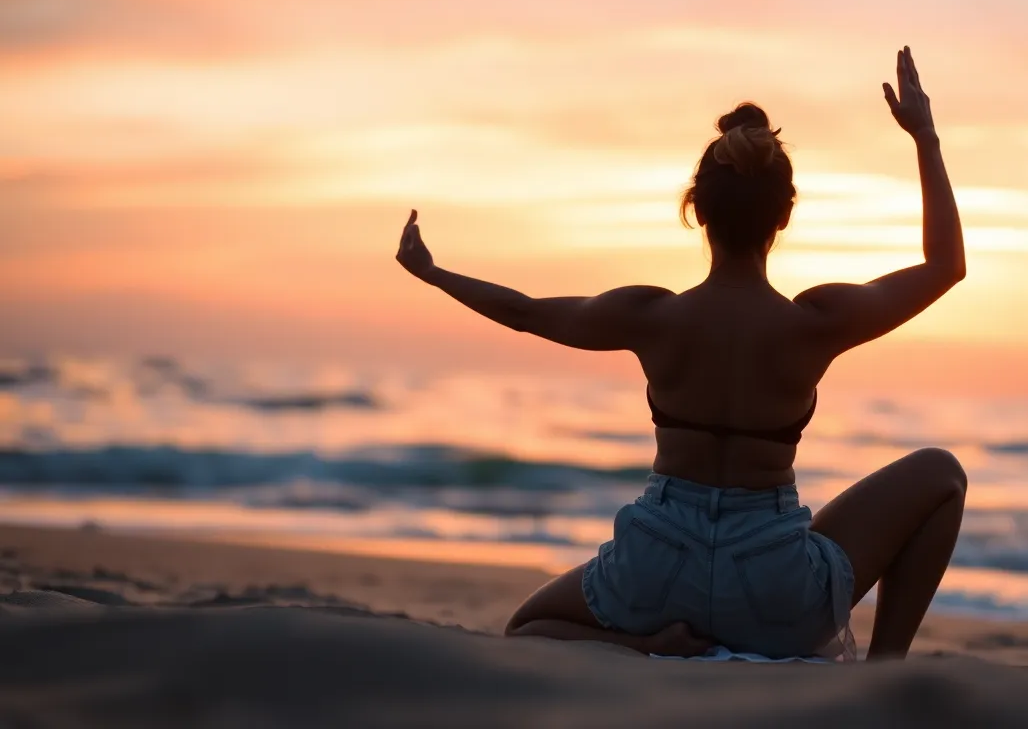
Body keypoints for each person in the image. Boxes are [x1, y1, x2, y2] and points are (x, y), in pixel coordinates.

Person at [396, 46, 967, 661]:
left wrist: (435, 274)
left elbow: (527, 312)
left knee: (529, 626)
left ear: (695, 211)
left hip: (654, 570)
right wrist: (925, 138)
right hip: (772, 587)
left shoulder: (653, 316)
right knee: (941, 475)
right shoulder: (815, 323)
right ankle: (884, 672)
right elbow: (945, 266)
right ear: (785, 216)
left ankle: (649, 644)